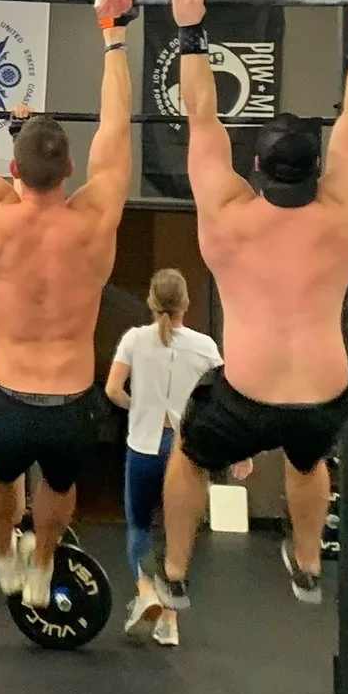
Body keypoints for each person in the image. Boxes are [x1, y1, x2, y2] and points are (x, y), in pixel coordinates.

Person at [156, 0, 348, 615]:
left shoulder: (228, 213)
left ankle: (175, 571)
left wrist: (190, 31)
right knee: (308, 458)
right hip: (324, 391)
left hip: (248, 392)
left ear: (256, 167)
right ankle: (308, 562)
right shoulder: (343, 209)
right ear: (317, 169)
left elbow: (201, 115)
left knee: (190, 455)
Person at [0, 0, 136, 607]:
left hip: (9, 397)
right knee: (59, 482)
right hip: (73, 401)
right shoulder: (95, 219)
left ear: (13, 169)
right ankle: (44, 560)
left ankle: (2, 545)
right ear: (71, 168)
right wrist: (113, 33)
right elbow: (116, 126)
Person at [104, 268, 228, 646]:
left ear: (150, 301)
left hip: (144, 445)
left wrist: (138, 407)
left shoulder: (134, 339)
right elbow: (222, 402)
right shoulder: (205, 346)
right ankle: (170, 622)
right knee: (178, 534)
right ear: (186, 303)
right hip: (184, 452)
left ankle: (146, 592)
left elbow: (112, 390)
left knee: (139, 525)